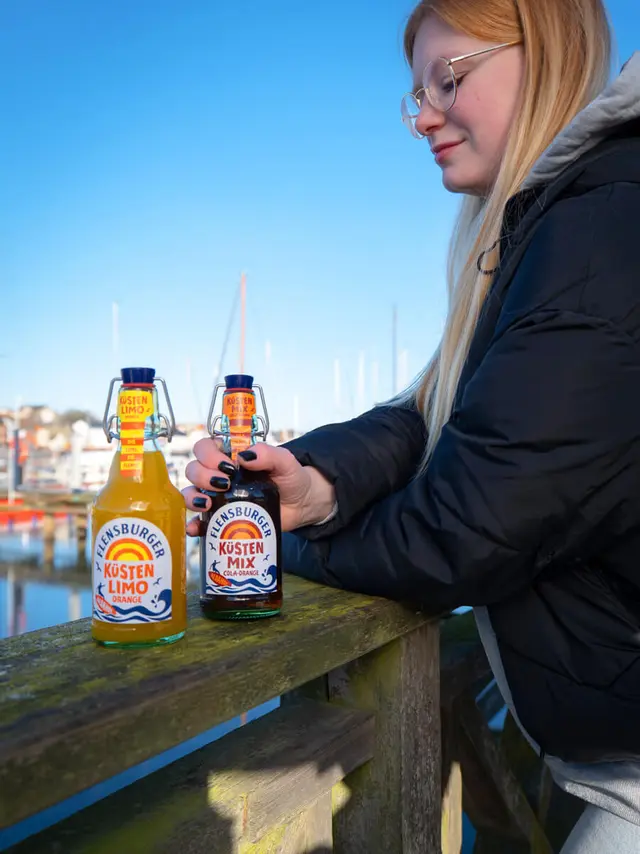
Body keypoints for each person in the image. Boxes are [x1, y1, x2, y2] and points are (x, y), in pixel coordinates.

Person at [184, 0, 640, 850]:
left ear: (541, 55)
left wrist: (265, 546)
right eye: (415, 92)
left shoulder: (603, 223)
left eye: (448, 79)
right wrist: (313, 483)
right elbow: (437, 415)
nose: (422, 114)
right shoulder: (565, 219)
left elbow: (462, 536)